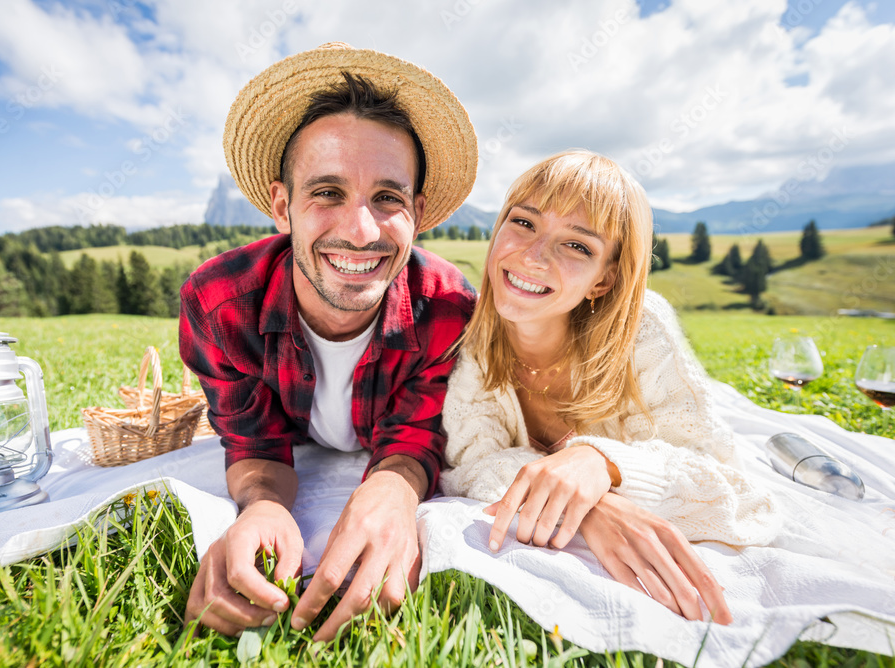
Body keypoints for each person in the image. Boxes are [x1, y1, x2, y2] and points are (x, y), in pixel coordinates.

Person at [178, 43, 479, 641]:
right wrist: (263, 506)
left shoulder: (451, 310)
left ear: (417, 213)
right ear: (281, 206)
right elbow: (252, 441)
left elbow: (416, 437)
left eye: (388, 198)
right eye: (327, 192)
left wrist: (392, 492)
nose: (360, 231)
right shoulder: (217, 303)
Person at [439, 149, 781, 624]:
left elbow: (730, 488)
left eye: (577, 246)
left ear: (605, 279)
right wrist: (590, 504)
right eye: (523, 223)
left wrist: (601, 461)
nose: (532, 256)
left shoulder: (643, 331)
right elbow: (470, 465)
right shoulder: (474, 341)